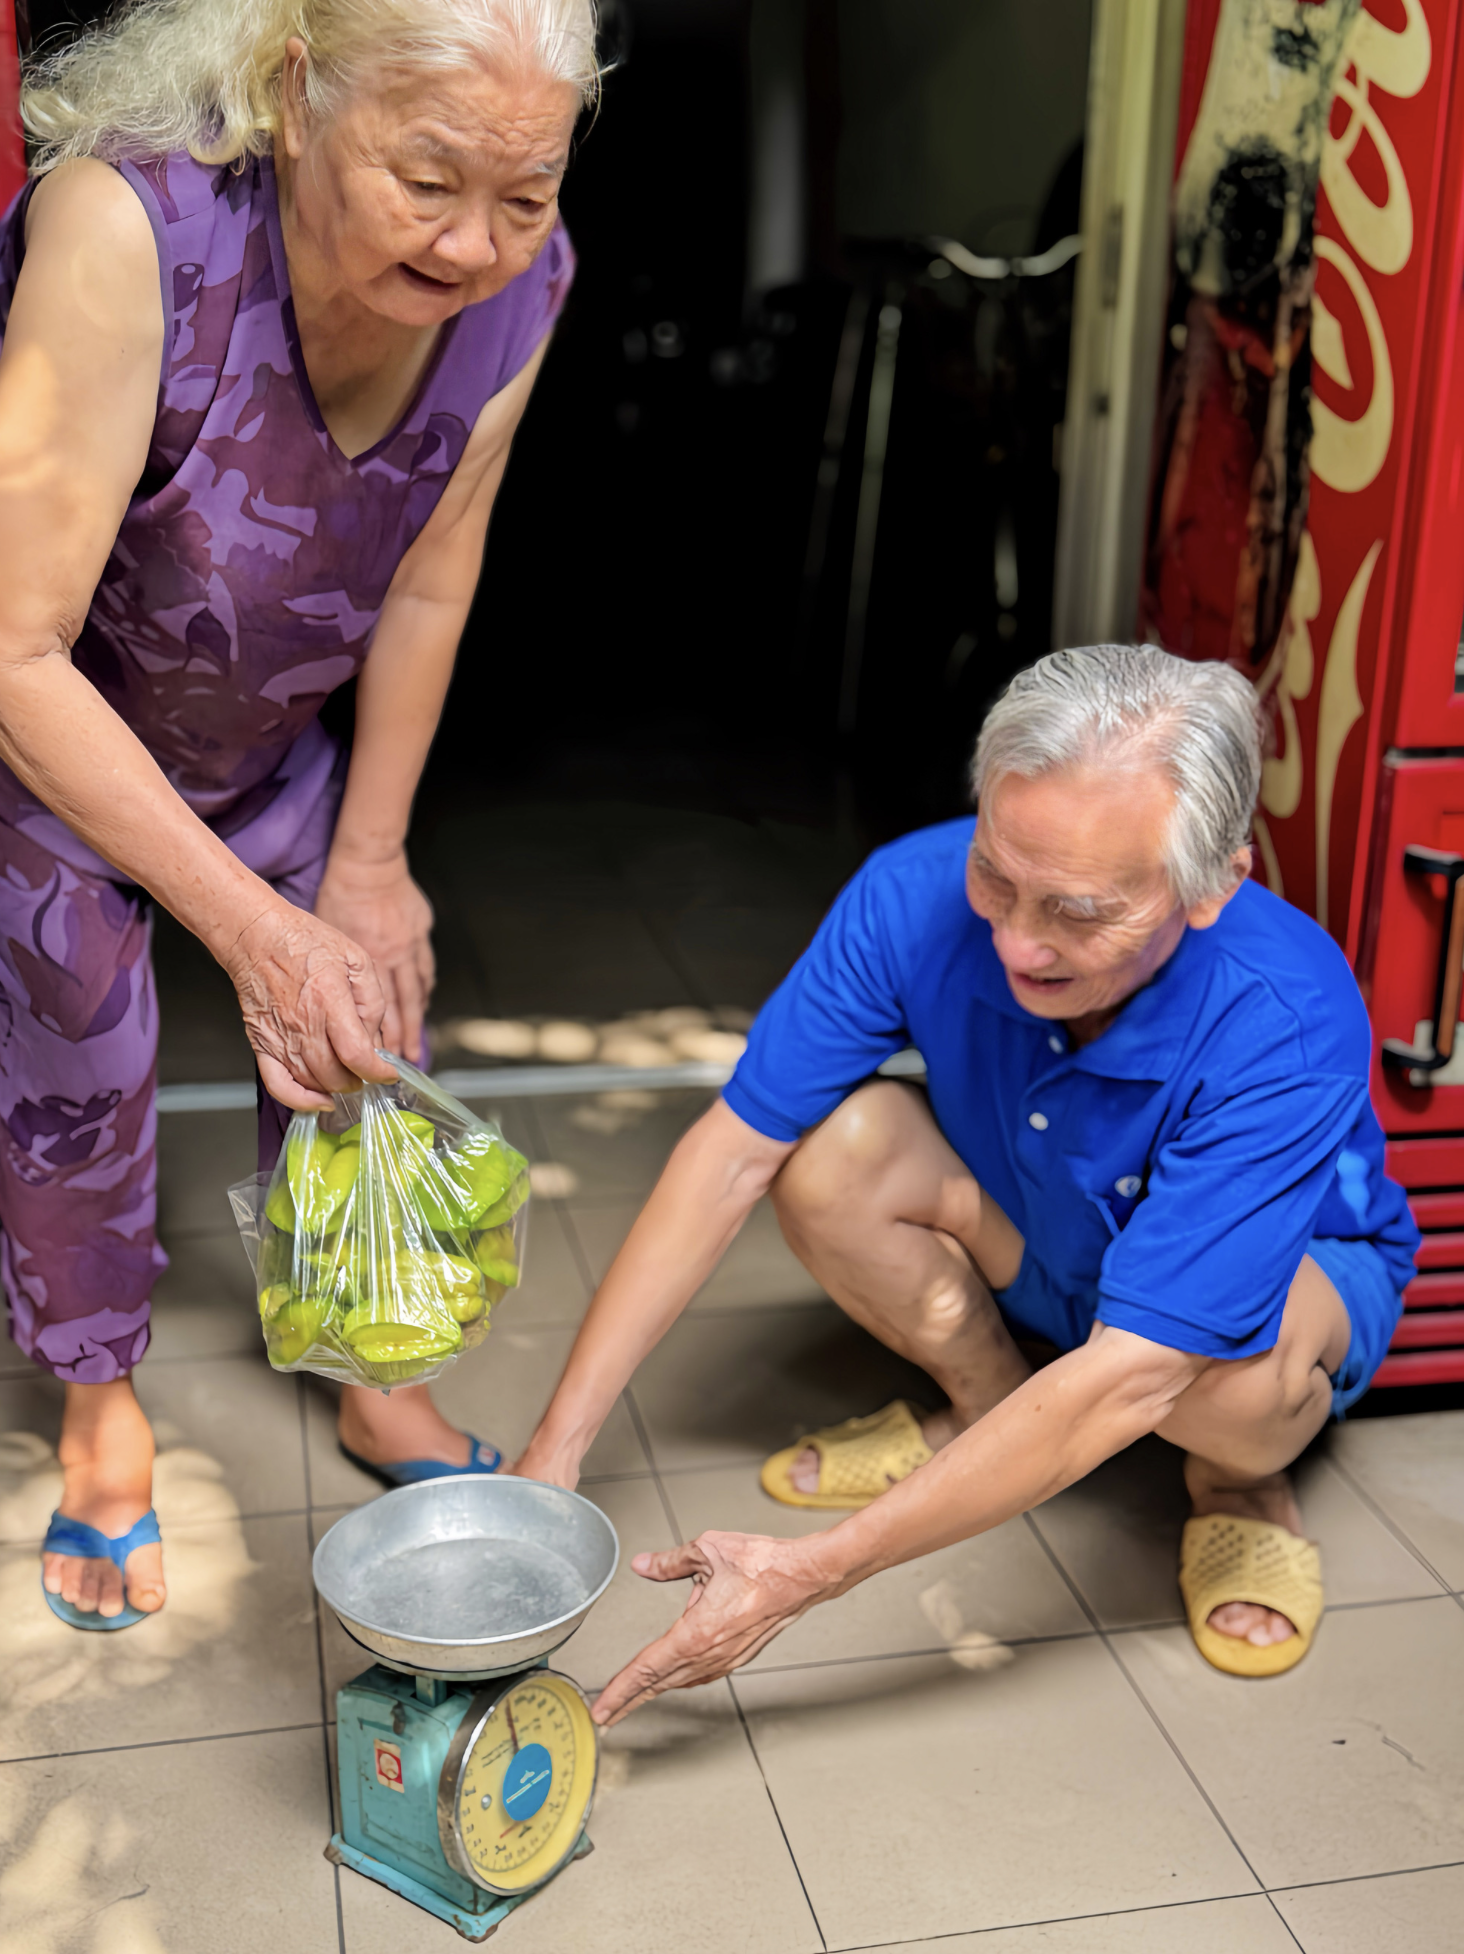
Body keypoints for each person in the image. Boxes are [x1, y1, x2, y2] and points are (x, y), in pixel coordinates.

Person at [511, 645, 1420, 1720]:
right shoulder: (910, 893)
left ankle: (1238, 1484)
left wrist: (808, 1573)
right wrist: (549, 1455)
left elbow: (1142, 1367)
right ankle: (990, 1406)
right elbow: (730, 1154)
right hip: (1043, 1233)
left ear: (1215, 879)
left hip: (1256, 1307)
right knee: (828, 1153)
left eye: (1078, 910)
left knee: (1221, 1381)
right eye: (997, 873)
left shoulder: (1287, 1010)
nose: (1017, 944)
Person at [0, 0, 597, 1628]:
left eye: (523, 193)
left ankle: (359, 1362)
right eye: (426, 179)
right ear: (289, 92)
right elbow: (13, 647)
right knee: (75, 1056)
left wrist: (368, 862)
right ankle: (97, 1392)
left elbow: (428, 576)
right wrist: (247, 924)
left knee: (357, 1016)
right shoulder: (127, 225)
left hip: (270, 737)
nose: (474, 243)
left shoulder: (519, 289)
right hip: (61, 741)